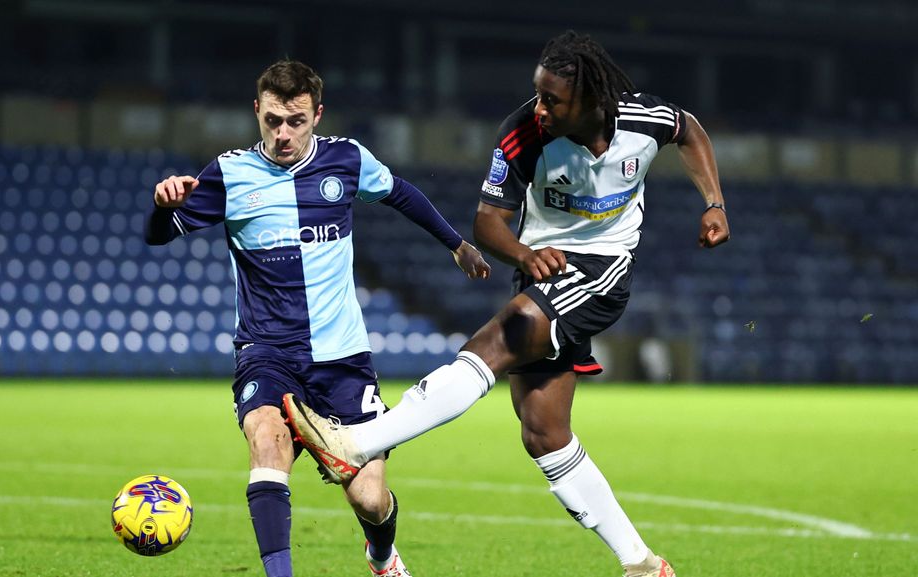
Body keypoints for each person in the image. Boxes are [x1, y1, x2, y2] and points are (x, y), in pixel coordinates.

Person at [283, 31, 730, 577]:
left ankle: (356, 444)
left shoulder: (642, 119)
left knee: (489, 345)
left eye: (552, 99)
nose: (538, 108)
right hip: (540, 269)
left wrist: (713, 203)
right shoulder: (521, 134)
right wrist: (524, 251)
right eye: (537, 94)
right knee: (544, 430)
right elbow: (486, 222)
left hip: (602, 267)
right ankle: (641, 564)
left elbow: (689, 130)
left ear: (589, 100)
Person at [144, 59, 490, 577]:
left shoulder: (347, 160)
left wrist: (457, 244)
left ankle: (382, 556)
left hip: (343, 360)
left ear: (317, 115)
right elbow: (159, 233)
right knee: (267, 442)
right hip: (268, 352)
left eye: (297, 121)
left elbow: (400, 193)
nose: (284, 134)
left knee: (371, 499)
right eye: (273, 121)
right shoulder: (231, 174)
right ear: (257, 111)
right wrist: (161, 203)